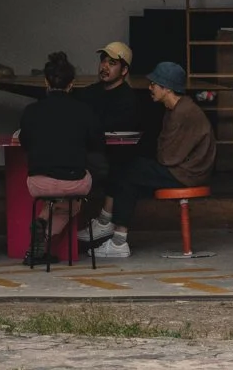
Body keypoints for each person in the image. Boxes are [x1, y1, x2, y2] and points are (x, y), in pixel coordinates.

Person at [91, 61, 216, 259]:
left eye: (154, 84)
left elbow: (167, 156)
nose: (150, 88)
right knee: (127, 172)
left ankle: (109, 227)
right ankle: (116, 237)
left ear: (166, 88)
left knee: (126, 167)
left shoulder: (184, 112)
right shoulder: (173, 108)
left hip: (187, 174)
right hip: (180, 169)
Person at [16, 51, 104, 231]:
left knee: (54, 197)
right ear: (71, 84)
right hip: (73, 182)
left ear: (45, 82)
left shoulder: (31, 111)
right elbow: (97, 144)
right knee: (75, 201)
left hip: (38, 183)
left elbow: (25, 143)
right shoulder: (84, 110)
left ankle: (40, 227)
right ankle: (44, 236)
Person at [76, 41, 154, 239]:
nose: (105, 67)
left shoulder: (128, 99)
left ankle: (106, 220)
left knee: (123, 163)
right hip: (87, 156)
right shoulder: (88, 93)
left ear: (124, 70)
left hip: (110, 161)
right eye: (103, 61)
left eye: (112, 63)